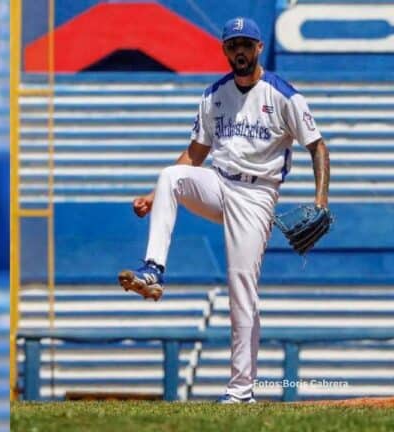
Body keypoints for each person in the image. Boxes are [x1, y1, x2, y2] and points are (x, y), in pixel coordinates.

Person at [118, 17, 330, 403]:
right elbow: (196, 154)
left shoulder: (282, 94)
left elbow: (317, 146)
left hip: (257, 195)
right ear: (225, 50)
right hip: (221, 182)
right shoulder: (214, 95)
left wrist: (320, 201)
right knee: (171, 175)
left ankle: (241, 392)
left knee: (241, 291)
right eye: (233, 45)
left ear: (259, 48)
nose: (240, 51)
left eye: (246, 44)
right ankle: (153, 270)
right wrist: (155, 194)